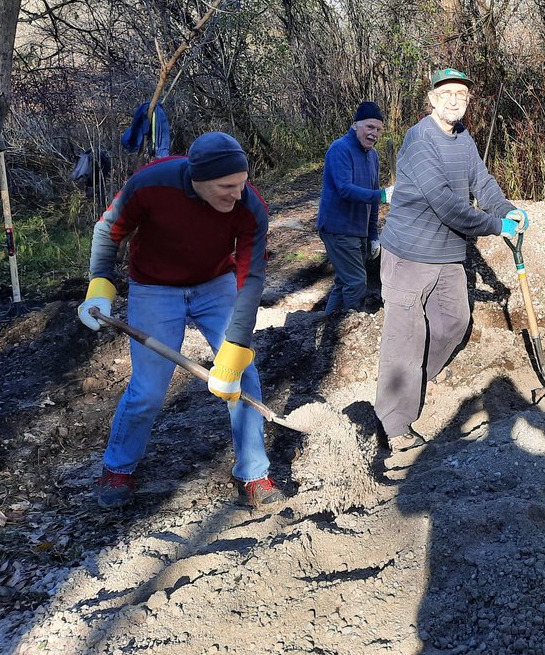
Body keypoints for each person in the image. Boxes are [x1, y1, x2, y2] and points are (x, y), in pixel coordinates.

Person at [77, 131, 285, 510]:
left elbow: (251, 277)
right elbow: (109, 230)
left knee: (243, 376)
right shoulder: (150, 183)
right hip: (154, 287)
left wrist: (235, 348)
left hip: (215, 283)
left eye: (241, 183)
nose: (237, 194)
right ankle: (118, 468)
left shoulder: (250, 204)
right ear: (198, 179)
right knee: (148, 389)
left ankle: (254, 473)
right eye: (227, 186)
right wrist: (100, 286)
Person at [375, 68, 528, 452]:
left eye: (462, 94)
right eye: (447, 93)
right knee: (405, 340)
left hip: (447, 254)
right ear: (432, 99)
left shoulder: (464, 139)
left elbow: (482, 182)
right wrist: (495, 226)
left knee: (455, 322)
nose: (455, 100)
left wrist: (505, 209)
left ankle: (419, 379)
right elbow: (445, 205)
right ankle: (395, 425)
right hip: (408, 256)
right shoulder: (419, 140)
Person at [316, 101, 391, 315]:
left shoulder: (373, 156)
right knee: (356, 282)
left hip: (359, 230)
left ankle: (328, 322)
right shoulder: (339, 149)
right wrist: (383, 195)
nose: (374, 133)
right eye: (370, 127)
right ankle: (352, 325)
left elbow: (373, 199)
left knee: (344, 282)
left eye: (378, 129)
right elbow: (345, 189)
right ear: (356, 125)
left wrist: (373, 235)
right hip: (338, 228)